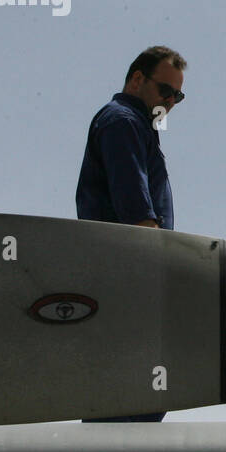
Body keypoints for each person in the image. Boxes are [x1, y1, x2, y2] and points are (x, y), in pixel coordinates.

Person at [76, 45, 187, 422]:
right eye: (164, 91)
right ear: (137, 79)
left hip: (127, 276)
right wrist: (158, 261)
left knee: (134, 400)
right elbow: (134, 204)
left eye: (178, 95)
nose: (170, 102)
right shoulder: (122, 120)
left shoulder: (138, 127)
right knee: (132, 401)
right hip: (128, 274)